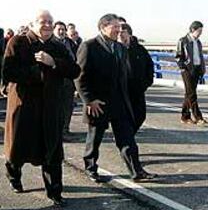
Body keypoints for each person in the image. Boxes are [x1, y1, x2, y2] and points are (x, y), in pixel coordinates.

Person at [2, 10, 80, 206]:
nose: (46, 25)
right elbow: (9, 72)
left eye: (49, 22)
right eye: (42, 21)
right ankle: (14, 175)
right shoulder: (18, 42)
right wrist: (37, 73)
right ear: (32, 24)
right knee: (18, 149)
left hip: (51, 106)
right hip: (25, 106)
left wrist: (53, 63)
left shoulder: (57, 46)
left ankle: (55, 191)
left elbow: (74, 70)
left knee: (52, 150)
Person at [75, 13, 156, 183]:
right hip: (98, 102)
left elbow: (124, 75)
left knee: (127, 139)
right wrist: (89, 99)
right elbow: (80, 76)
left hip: (119, 102)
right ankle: (91, 168)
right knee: (94, 138)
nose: (118, 30)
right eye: (115, 27)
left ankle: (137, 171)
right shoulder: (89, 46)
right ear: (103, 27)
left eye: (120, 27)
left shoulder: (119, 48)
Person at [118, 22, 154, 133]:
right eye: (118, 32)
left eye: (123, 32)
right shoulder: (114, 49)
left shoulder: (139, 49)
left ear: (129, 34)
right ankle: (125, 139)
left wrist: (146, 82)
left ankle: (128, 135)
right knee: (122, 117)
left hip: (137, 89)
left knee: (140, 116)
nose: (120, 35)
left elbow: (149, 66)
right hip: (120, 90)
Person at [175, 21, 207, 125]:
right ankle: (198, 117)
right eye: (199, 31)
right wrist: (183, 67)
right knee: (192, 94)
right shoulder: (183, 41)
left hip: (197, 69)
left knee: (189, 94)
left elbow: (200, 56)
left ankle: (185, 116)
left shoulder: (198, 42)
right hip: (187, 70)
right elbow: (178, 56)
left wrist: (202, 68)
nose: (200, 33)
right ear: (193, 29)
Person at [53, 21, 78, 140]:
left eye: (63, 29)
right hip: (56, 80)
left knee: (68, 106)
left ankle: (65, 129)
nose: (61, 32)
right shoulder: (51, 43)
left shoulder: (71, 43)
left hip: (69, 80)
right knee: (56, 107)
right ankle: (57, 131)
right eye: (59, 29)